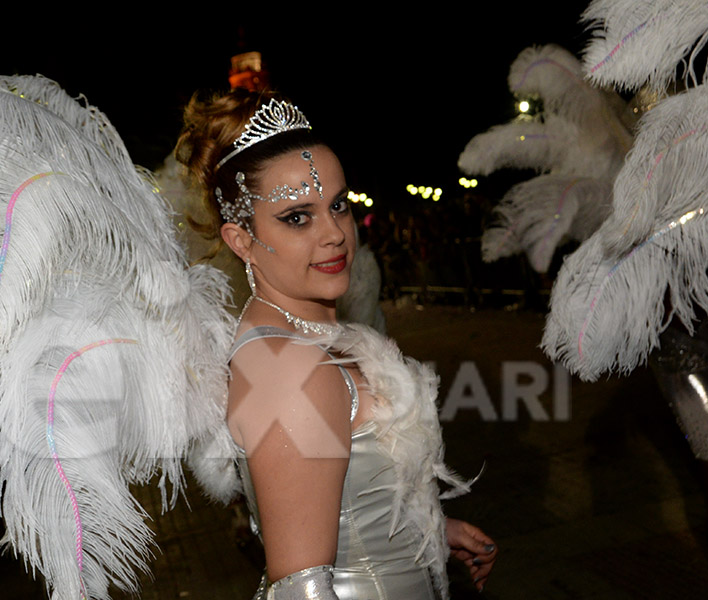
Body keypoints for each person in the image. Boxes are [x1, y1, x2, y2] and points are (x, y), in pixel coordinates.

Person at [176, 89, 498, 599]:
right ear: (241, 241)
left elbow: (341, 500)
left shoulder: (305, 336)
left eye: (338, 205)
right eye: (297, 217)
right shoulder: (292, 369)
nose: (335, 234)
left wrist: (424, 533)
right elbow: (299, 586)